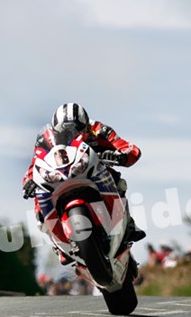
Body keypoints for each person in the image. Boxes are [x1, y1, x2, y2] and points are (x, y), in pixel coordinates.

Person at [21, 103, 146, 261]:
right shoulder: (45, 140)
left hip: (91, 169)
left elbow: (129, 148)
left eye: (78, 130)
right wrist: (28, 181)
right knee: (39, 201)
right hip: (60, 176)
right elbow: (35, 164)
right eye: (66, 131)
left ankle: (127, 223)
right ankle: (58, 243)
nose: (73, 134)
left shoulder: (99, 130)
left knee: (117, 180)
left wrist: (119, 155)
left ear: (86, 126)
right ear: (55, 128)